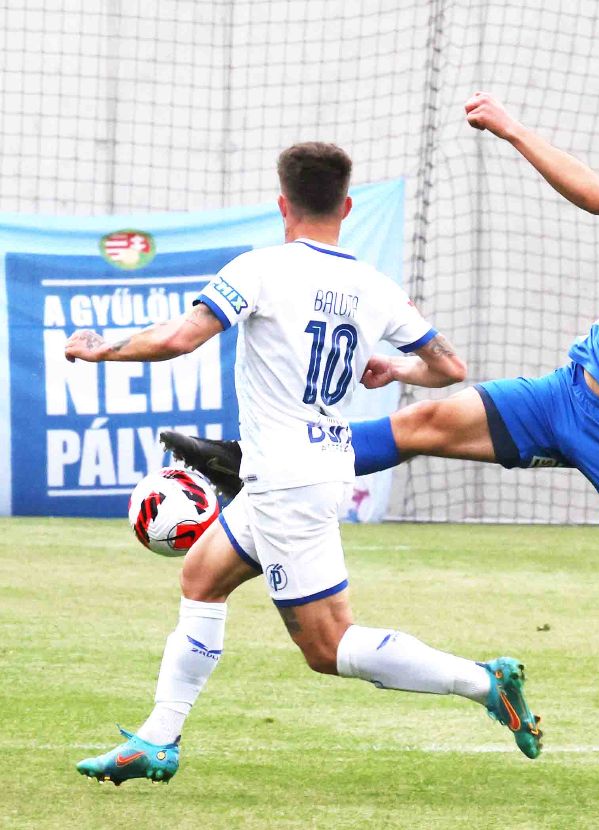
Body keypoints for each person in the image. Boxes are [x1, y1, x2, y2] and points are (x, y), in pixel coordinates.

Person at [169, 96, 599, 784]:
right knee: (424, 423)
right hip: (568, 396)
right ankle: (256, 460)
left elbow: (596, 197)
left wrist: (511, 129)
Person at [69, 142, 542, 786]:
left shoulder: (260, 268)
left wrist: (103, 350)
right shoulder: (374, 286)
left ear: (282, 204)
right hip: (304, 472)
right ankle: (158, 738)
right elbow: (449, 367)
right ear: (345, 206)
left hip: (289, 485)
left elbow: (181, 337)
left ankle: (485, 682)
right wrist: (394, 367)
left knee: (328, 646)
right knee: (202, 577)